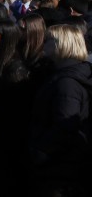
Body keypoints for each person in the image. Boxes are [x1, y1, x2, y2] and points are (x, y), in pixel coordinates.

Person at [29, 24, 92, 196]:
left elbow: (64, 125)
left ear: (61, 44)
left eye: (48, 40)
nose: (43, 43)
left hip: (59, 164)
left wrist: (40, 150)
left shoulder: (67, 82)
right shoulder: (61, 73)